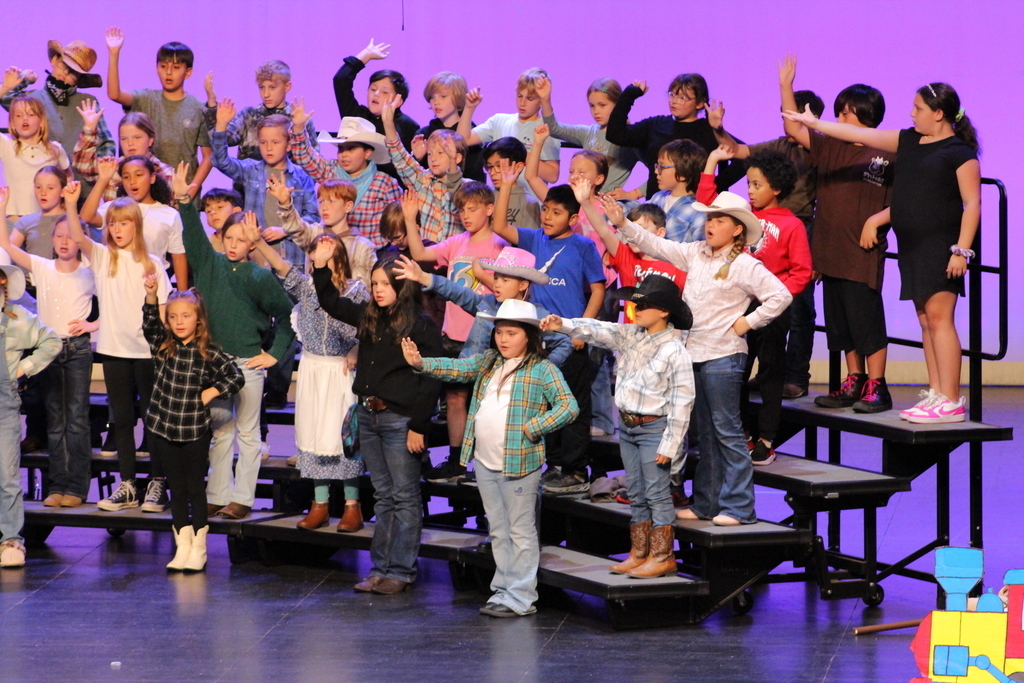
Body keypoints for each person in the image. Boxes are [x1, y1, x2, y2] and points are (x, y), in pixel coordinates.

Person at [784, 81, 979, 424]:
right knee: (925, 320)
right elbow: (865, 137)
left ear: (938, 114)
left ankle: (950, 399)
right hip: (913, 246)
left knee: (940, 319)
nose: (911, 113)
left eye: (918, 108)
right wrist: (814, 124)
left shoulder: (959, 152)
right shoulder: (909, 140)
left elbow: (972, 204)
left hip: (941, 244)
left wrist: (961, 250)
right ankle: (936, 392)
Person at [607, 192, 791, 525]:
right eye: (709, 218)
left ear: (737, 230)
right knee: (705, 433)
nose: (711, 225)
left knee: (727, 431)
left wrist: (748, 322)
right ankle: (706, 503)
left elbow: (781, 295)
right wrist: (621, 223)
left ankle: (739, 507)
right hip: (693, 354)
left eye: (719, 220)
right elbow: (656, 245)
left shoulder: (745, 264)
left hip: (724, 357)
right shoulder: (695, 253)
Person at [404, 298, 578, 616]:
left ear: (528, 335)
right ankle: (503, 591)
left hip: (519, 464)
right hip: (485, 461)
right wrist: (420, 364)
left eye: (511, 333)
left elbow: (568, 406)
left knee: (521, 531)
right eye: (499, 332)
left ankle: (522, 597)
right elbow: (457, 368)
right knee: (498, 529)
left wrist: (534, 427)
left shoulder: (542, 369)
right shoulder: (489, 362)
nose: (503, 339)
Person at [541, 275, 694, 578]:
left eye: (643, 304)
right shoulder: (631, 335)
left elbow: (682, 402)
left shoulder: (675, 351)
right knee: (637, 491)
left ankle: (663, 555)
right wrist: (565, 325)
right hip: (629, 428)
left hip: (655, 429)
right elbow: (600, 329)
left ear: (664, 311)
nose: (635, 308)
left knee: (657, 493)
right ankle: (639, 552)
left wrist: (670, 445)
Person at [313, 251, 443, 595]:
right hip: (369, 417)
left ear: (402, 287)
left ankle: (400, 570)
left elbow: (431, 377)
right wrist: (322, 266)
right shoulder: (369, 316)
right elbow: (329, 301)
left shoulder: (419, 323)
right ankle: (380, 569)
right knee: (384, 497)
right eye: (374, 284)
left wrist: (419, 425)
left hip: (400, 420)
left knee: (404, 497)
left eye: (385, 284)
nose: (378, 290)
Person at [172, 163, 296, 520]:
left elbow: (289, 315)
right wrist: (183, 199)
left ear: (251, 243)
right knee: (221, 431)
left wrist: (273, 355)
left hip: (247, 364)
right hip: (214, 363)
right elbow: (193, 233)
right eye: (229, 238)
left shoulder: (259, 276)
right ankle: (217, 494)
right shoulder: (210, 265)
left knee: (248, 432)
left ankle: (242, 498)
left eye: (242, 240)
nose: (234, 245)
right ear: (222, 238)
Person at [779, 56, 895, 413]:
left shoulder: (889, 151)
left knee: (866, 317)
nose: (840, 118)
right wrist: (786, 86)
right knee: (840, 321)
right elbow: (794, 130)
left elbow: (905, 200)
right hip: (829, 249)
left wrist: (876, 221)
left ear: (866, 114)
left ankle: (877, 385)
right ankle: (854, 380)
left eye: (846, 112)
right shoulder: (831, 148)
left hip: (861, 249)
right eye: (839, 112)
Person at [244, 220, 369, 533]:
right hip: (313, 370)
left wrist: (356, 350)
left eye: (322, 255)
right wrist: (257, 241)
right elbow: (283, 267)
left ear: (337, 257)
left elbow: (363, 331)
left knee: (342, 438)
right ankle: (320, 503)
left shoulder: (355, 291)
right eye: (313, 255)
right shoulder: (306, 287)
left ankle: (352, 506)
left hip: (340, 370)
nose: (315, 260)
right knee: (314, 435)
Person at [491, 164, 605, 495]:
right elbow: (499, 225)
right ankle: (553, 464)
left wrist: (581, 330)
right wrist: (507, 186)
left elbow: (597, 289)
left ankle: (574, 469)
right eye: (545, 209)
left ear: (573, 218)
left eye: (556, 212)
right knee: (546, 404)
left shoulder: (583, 246)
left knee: (573, 404)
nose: (547, 216)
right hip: (539, 339)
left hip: (569, 339)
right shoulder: (533, 239)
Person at [63, 181, 173, 512]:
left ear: (135, 225)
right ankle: (128, 485)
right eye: (112, 223)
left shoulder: (152, 263)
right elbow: (79, 236)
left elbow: (164, 311)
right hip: (113, 352)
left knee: (154, 420)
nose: (117, 228)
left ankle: (158, 482)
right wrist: (70, 205)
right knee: (122, 420)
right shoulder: (102, 257)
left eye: (124, 222)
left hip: (148, 353)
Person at [716, 64, 825, 398]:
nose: (786, 123)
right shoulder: (779, 145)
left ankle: (796, 377)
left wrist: (784, 84)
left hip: (800, 229)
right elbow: (738, 151)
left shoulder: (821, 148)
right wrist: (719, 130)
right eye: (783, 116)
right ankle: (765, 375)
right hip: (765, 229)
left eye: (791, 116)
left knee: (799, 310)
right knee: (758, 305)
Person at [698, 146, 812, 463]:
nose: (750, 190)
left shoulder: (791, 225)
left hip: (773, 311)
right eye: (748, 184)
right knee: (738, 370)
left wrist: (774, 296)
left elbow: (801, 272)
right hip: (738, 306)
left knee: (771, 373)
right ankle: (742, 435)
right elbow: (709, 204)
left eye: (757, 184)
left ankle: (766, 439)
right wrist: (711, 163)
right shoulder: (742, 217)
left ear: (776, 188)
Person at [400, 183, 506, 482]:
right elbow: (421, 254)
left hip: (483, 335)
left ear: (488, 209)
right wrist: (410, 219)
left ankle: (486, 462)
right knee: (455, 398)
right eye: (461, 210)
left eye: (472, 209)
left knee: (484, 400)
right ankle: (457, 459)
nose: (466, 215)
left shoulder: (500, 245)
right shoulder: (456, 242)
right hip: (452, 333)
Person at [0, 187, 95, 508]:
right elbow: (7, 248)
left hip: (78, 350)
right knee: (55, 420)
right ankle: (58, 486)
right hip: (49, 352)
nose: (65, 241)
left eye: (71, 235)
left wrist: (93, 325)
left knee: (77, 419)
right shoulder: (43, 267)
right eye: (59, 236)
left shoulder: (89, 271)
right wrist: (2, 209)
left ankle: (77, 488)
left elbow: (116, 302)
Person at [142, 281, 243, 572]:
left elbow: (235, 377)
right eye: (173, 317)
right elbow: (150, 323)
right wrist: (151, 296)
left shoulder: (208, 351)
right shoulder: (163, 346)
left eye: (185, 316)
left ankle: (199, 547)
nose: (179, 322)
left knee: (195, 488)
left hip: (194, 429)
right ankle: (182, 544)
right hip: (164, 426)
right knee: (176, 488)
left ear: (198, 318)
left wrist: (212, 392)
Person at [0, 254, 59, 568]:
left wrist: (23, 368)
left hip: (3, 404)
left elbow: (51, 341)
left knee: (7, 475)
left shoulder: (19, 318)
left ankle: (10, 539)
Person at [211, 101, 319, 271]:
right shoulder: (250, 170)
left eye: (275, 143)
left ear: (289, 145)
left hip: (292, 261)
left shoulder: (302, 177)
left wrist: (286, 230)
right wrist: (221, 126)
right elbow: (220, 161)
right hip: (257, 262)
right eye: (263, 142)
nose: (268, 148)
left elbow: (313, 218)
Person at [0, 40, 116, 198]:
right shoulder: (32, 100)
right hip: (41, 189)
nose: (65, 74)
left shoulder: (88, 102)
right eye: (64, 66)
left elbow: (106, 143)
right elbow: (5, 97)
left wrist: (100, 173)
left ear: (79, 78)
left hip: (82, 189)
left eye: (73, 73)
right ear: (54, 60)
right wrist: (25, 79)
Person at [104, 27, 211, 191]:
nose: (168, 73)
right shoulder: (146, 99)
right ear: (156, 68)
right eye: (163, 66)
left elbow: (208, 157)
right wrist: (114, 53)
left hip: (183, 192)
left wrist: (192, 189)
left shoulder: (198, 108)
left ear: (188, 72)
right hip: (146, 192)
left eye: (176, 67)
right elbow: (114, 94)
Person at [289, 103, 401, 247]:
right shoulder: (331, 172)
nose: (344, 155)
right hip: (334, 251)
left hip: (374, 256)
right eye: (341, 148)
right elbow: (305, 157)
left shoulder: (385, 184)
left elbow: (395, 223)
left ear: (367, 153)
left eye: (351, 148)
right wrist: (298, 128)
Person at [80, 155, 188, 290]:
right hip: (118, 284)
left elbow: (178, 257)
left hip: (154, 285)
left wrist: (182, 295)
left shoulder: (169, 214)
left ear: (152, 178)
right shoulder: (115, 208)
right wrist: (103, 180)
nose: (132, 181)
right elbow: (86, 216)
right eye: (126, 177)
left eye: (139, 175)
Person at [458, 69, 561, 200]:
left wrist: (519, 154)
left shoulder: (546, 128)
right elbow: (462, 141)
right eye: (519, 96)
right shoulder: (499, 121)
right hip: (500, 202)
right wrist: (469, 108)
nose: (522, 103)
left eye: (529, 98)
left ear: (541, 100)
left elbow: (552, 175)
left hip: (531, 207)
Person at [382, 94, 467, 243]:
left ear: (457, 157)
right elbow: (399, 157)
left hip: (455, 260)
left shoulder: (467, 188)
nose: (433, 158)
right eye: (429, 154)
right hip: (425, 258)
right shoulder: (422, 181)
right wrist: (388, 123)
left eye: (440, 153)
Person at [537, 75, 641, 193]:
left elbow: (657, 168)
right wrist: (545, 100)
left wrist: (635, 194)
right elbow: (554, 128)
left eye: (602, 105)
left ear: (618, 105)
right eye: (592, 106)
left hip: (607, 206)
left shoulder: (629, 137)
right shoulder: (588, 133)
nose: (596, 111)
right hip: (584, 201)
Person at [332, 38, 419, 179]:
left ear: (399, 100)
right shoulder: (356, 115)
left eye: (384, 92)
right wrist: (366, 55)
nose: (376, 94)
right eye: (373, 89)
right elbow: (341, 80)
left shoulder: (408, 126)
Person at [268, 176, 375, 287]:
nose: (324, 207)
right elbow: (295, 227)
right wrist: (285, 203)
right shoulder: (315, 233)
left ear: (348, 206)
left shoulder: (362, 246)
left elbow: (363, 288)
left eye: (331, 201)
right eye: (321, 201)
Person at [202, 59, 317, 162]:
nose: (266, 94)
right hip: (246, 184)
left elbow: (312, 163)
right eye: (262, 87)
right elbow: (223, 140)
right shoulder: (249, 115)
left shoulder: (297, 120)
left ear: (287, 87)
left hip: (287, 184)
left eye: (272, 88)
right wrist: (212, 105)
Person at [72, 105, 174, 203]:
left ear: (150, 140)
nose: (130, 144)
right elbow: (83, 164)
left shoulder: (166, 173)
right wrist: (89, 130)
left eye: (137, 137)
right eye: (124, 139)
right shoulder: (111, 168)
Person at [0, 94, 70, 218]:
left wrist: (65, 204)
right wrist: (5, 87)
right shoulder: (6, 146)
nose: (24, 119)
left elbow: (68, 176)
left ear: (41, 120)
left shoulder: (54, 149)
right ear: (12, 123)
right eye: (18, 115)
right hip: (14, 220)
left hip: (45, 222)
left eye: (31, 114)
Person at [414, 71, 485, 182]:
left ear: (458, 97)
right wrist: (418, 158)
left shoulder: (473, 135)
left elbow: (475, 177)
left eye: (443, 96)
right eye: (432, 97)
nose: (436, 102)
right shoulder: (423, 134)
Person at [648, 139, 708, 243]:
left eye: (662, 167)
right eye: (657, 166)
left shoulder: (697, 211)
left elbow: (698, 251)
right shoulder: (658, 197)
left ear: (682, 174)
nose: (656, 171)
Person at [482, 137, 540, 230]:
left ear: (518, 166)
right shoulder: (485, 196)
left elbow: (529, 241)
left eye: (498, 166)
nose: (492, 172)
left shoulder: (529, 204)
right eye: (489, 167)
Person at [200, 187, 243, 254]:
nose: (213, 213)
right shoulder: (205, 243)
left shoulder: (248, 240)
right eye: (208, 211)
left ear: (236, 211)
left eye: (219, 207)